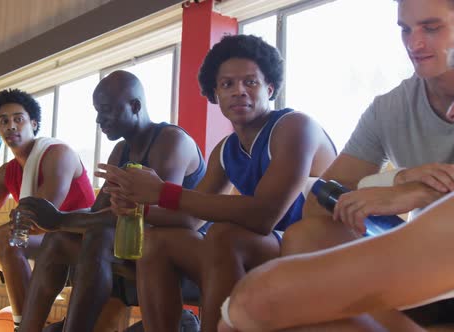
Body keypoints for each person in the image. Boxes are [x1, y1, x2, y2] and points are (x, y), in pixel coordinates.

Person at [218, 19, 454, 332]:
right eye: (406, 29)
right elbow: (319, 201)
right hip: (447, 270)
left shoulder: (293, 127)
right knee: (303, 243)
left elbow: (257, 297)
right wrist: (399, 183)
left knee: (257, 311)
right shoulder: (390, 108)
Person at [95, 35, 337, 332]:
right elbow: (189, 219)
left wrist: (163, 191)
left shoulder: (295, 127)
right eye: (227, 84)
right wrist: (137, 209)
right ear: (215, 94)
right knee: (156, 241)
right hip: (268, 250)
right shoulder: (225, 150)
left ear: (270, 89)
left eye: (251, 83)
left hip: (318, 255)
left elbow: (264, 215)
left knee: (225, 236)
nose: (239, 92)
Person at [14, 70, 206, 332]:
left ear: (135, 106)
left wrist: (59, 218)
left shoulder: (171, 141)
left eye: (105, 110)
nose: (98, 119)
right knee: (58, 240)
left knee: (100, 237)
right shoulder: (121, 151)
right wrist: (50, 218)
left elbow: (153, 218)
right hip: (135, 251)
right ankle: (27, 329)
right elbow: (98, 212)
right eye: (96, 111)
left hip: (179, 260)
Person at [0, 89, 95, 332]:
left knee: (9, 239)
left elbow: (38, 220)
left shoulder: (59, 154)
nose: (11, 126)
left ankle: (25, 328)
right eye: (4, 121)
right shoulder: (8, 171)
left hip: (79, 247)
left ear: (33, 124)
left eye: (18, 119)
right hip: (38, 244)